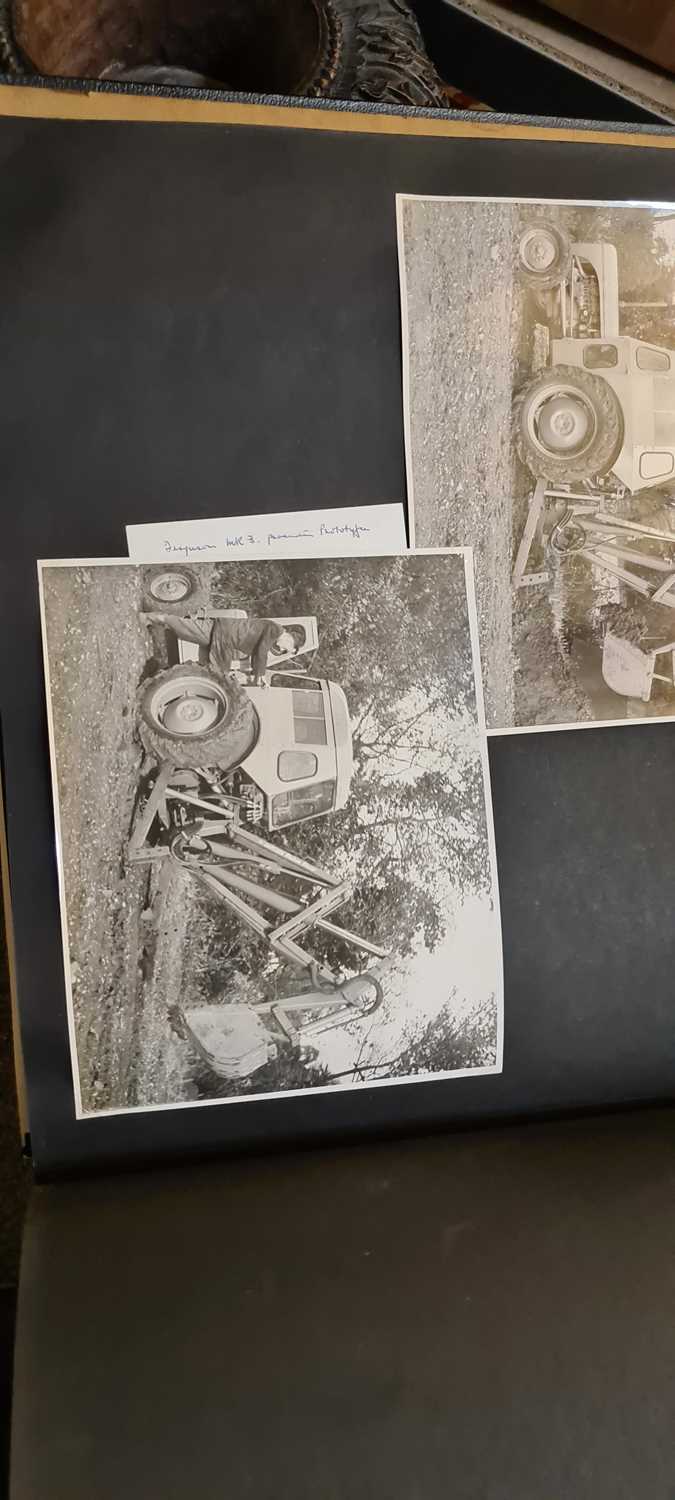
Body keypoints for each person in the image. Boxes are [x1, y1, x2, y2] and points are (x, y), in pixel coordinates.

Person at [162, 613, 305, 683]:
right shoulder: (275, 630)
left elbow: (258, 653)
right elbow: (261, 653)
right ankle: (173, 677)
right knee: (218, 678)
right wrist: (260, 675)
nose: (283, 650)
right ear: (290, 639)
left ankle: (154, 618)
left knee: (183, 626)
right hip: (226, 637)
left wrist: (256, 673)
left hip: (225, 635)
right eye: (287, 648)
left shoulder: (273, 633)